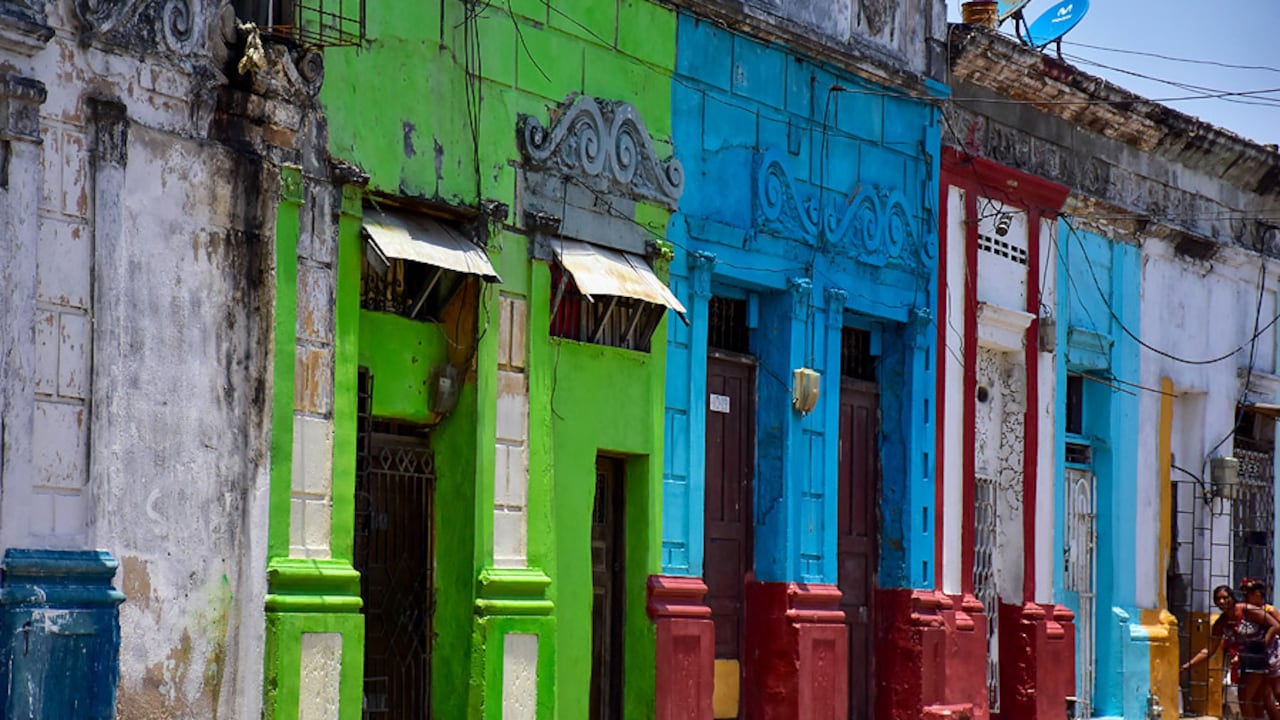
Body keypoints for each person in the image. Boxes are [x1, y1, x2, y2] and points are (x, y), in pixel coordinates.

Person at [1183, 585, 1280, 720]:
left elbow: (1275, 625)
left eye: (1225, 598)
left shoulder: (1247, 610)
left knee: (1252, 694)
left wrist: (1263, 643)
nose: (1222, 602)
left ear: (1232, 597)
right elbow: (1209, 650)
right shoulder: (1221, 623)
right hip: (1248, 658)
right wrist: (1188, 666)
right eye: (1218, 599)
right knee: (1258, 698)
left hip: (1267, 654)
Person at [1240, 578, 1280, 720]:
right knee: (1264, 695)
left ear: (1258, 594)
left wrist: (1265, 642)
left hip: (1272, 653)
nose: (1246, 598)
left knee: (1276, 691)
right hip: (1258, 656)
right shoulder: (1249, 611)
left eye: (1249, 594)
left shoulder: (1269, 610)